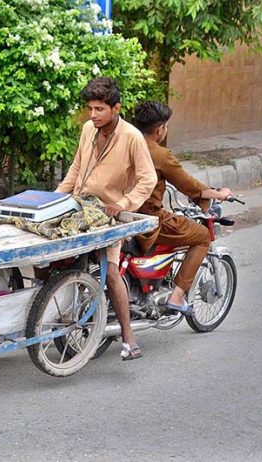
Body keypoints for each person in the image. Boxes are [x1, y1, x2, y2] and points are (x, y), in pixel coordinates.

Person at [56, 77, 157, 361]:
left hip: (108, 215)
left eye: (99, 109)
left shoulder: (132, 137)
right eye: (90, 109)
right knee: (50, 259)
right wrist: (54, 199)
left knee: (110, 272)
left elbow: (147, 180)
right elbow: (75, 169)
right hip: (78, 206)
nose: (93, 115)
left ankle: (129, 338)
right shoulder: (88, 129)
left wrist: (122, 204)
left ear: (116, 108)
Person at [132, 101, 233, 314]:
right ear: (160, 129)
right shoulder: (160, 155)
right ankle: (177, 296)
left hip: (122, 212)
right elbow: (189, 185)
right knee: (203, 235)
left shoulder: (125, 144)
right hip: (148, 219)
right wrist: (220, 194)